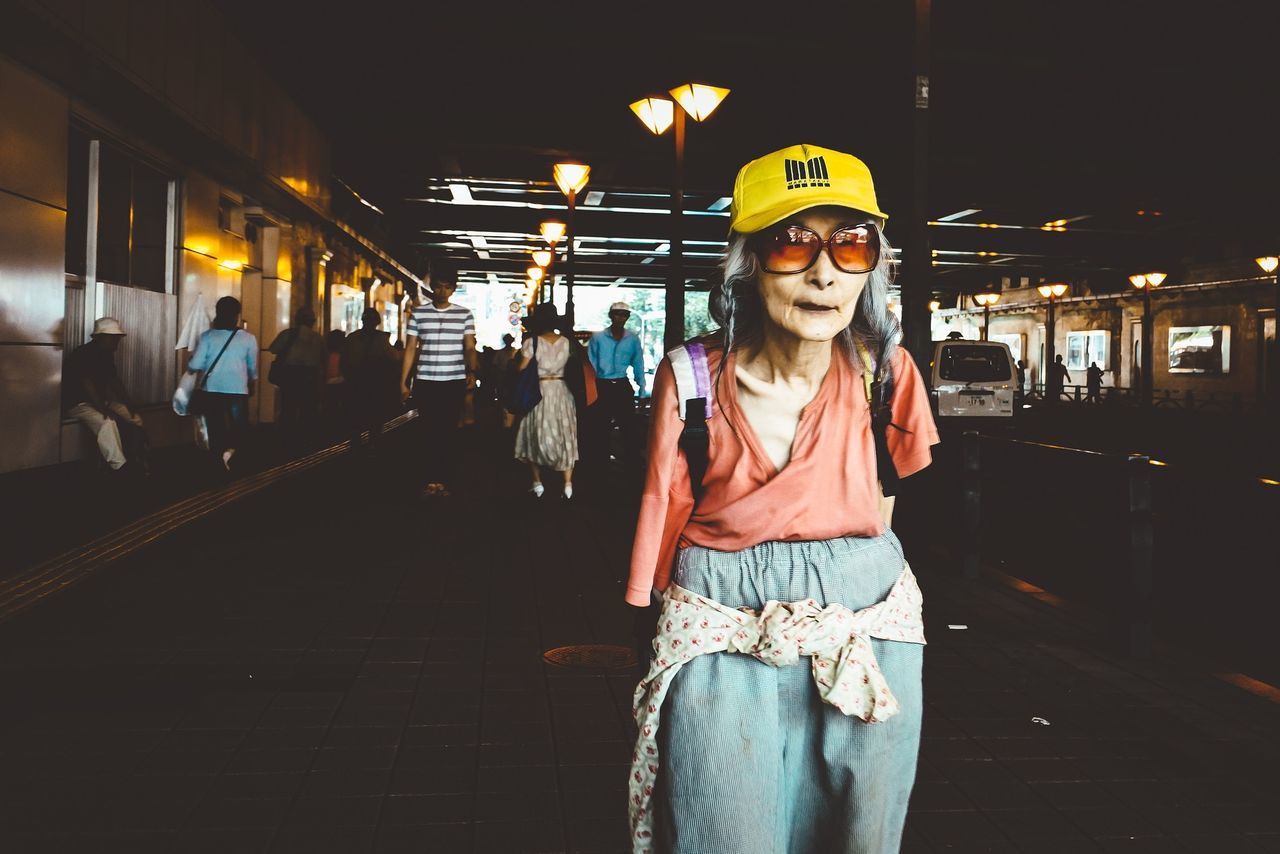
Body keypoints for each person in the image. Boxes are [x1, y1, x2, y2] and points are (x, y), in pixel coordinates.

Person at [625, 144, 940, 854]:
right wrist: (648, 637)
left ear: (872, 264)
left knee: (859, 830)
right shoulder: (692, 380)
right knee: (721, 826)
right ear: (747, 262)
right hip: (722, 630)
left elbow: (881, 511)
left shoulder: (885, 374)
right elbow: (662, 521)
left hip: (867, 631)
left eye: (850, 244)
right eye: (792, 243)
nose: (824, 271)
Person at [399, 261, 477, 497]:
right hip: (425, 380)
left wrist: (471, 372)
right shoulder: (418, 314)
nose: (442, 291)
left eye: (447, 287)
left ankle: (443, 479)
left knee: (447, 431)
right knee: (427, 431)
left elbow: (470, 346)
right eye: (438, 287)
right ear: (432, 287)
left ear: (453, 289)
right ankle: (430, 479)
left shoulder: (464, 314)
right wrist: (403, 381)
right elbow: (410, 348)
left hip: (453, 380)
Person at [64, 317, 149, 475]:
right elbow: (86, 382)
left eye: (117, 338)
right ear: (98, 337)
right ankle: (120, 467)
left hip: (99, 401)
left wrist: (128, 404)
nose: (116, 342)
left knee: (134, 417)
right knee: (107, 422)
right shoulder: (82, 353)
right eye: (112, 338)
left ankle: (139, 455)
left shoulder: (106, 354)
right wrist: (101, 408)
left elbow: (114, 381)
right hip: (79, 404)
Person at [513, 304, 579, 498]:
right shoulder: (566, 342)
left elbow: (521, 369)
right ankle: (567, 485)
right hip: (561, 391)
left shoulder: (532, 343)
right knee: (564, 433)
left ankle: (537, 483)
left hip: (538, 391)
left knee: (534, 432)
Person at [186, 297, 258, 472]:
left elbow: (195, 365)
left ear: (217, 313)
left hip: (212, 390)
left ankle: (218, 460)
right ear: (237, 315)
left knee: (215, 427)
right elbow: (252, 366)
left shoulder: (206, 337)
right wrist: (251, 383)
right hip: (238, 390)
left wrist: (192, 362)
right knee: (239, 428)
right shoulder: (249, 339)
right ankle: (232, 454)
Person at [586, 301, 646, 466]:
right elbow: (591, 365)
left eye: (624, 315)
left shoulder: (632, 340)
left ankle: (631, 464)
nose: (620, 318)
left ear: (627, 318)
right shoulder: (597, 338)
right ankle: (600, 463)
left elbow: (638, 365)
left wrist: (642, 391)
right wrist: (590, 392)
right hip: (602, 385)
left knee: (629, 427)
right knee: (600, 427)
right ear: (611, 316)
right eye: (617, 314)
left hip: (621, 385)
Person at [342, 307, 399, 450]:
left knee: (355, 412)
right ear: (377, 322)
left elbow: (344, 360)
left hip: (354, 381)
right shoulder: (381, 338)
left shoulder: (352, 337)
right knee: (375, 413)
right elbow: (394, 358)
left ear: (362, 320)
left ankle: (355, 441)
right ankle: (374, 441)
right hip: (375, 381)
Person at [269, 306, 325, 446]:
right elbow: (324, 358)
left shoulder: (287, 334)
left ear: (296, 320)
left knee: (288, 406)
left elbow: (273, 348)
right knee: (308, 407)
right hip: (310, 375)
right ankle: (306, 438)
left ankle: (286, 438)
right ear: (312, 321)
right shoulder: (318, 338)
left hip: (290, 374)